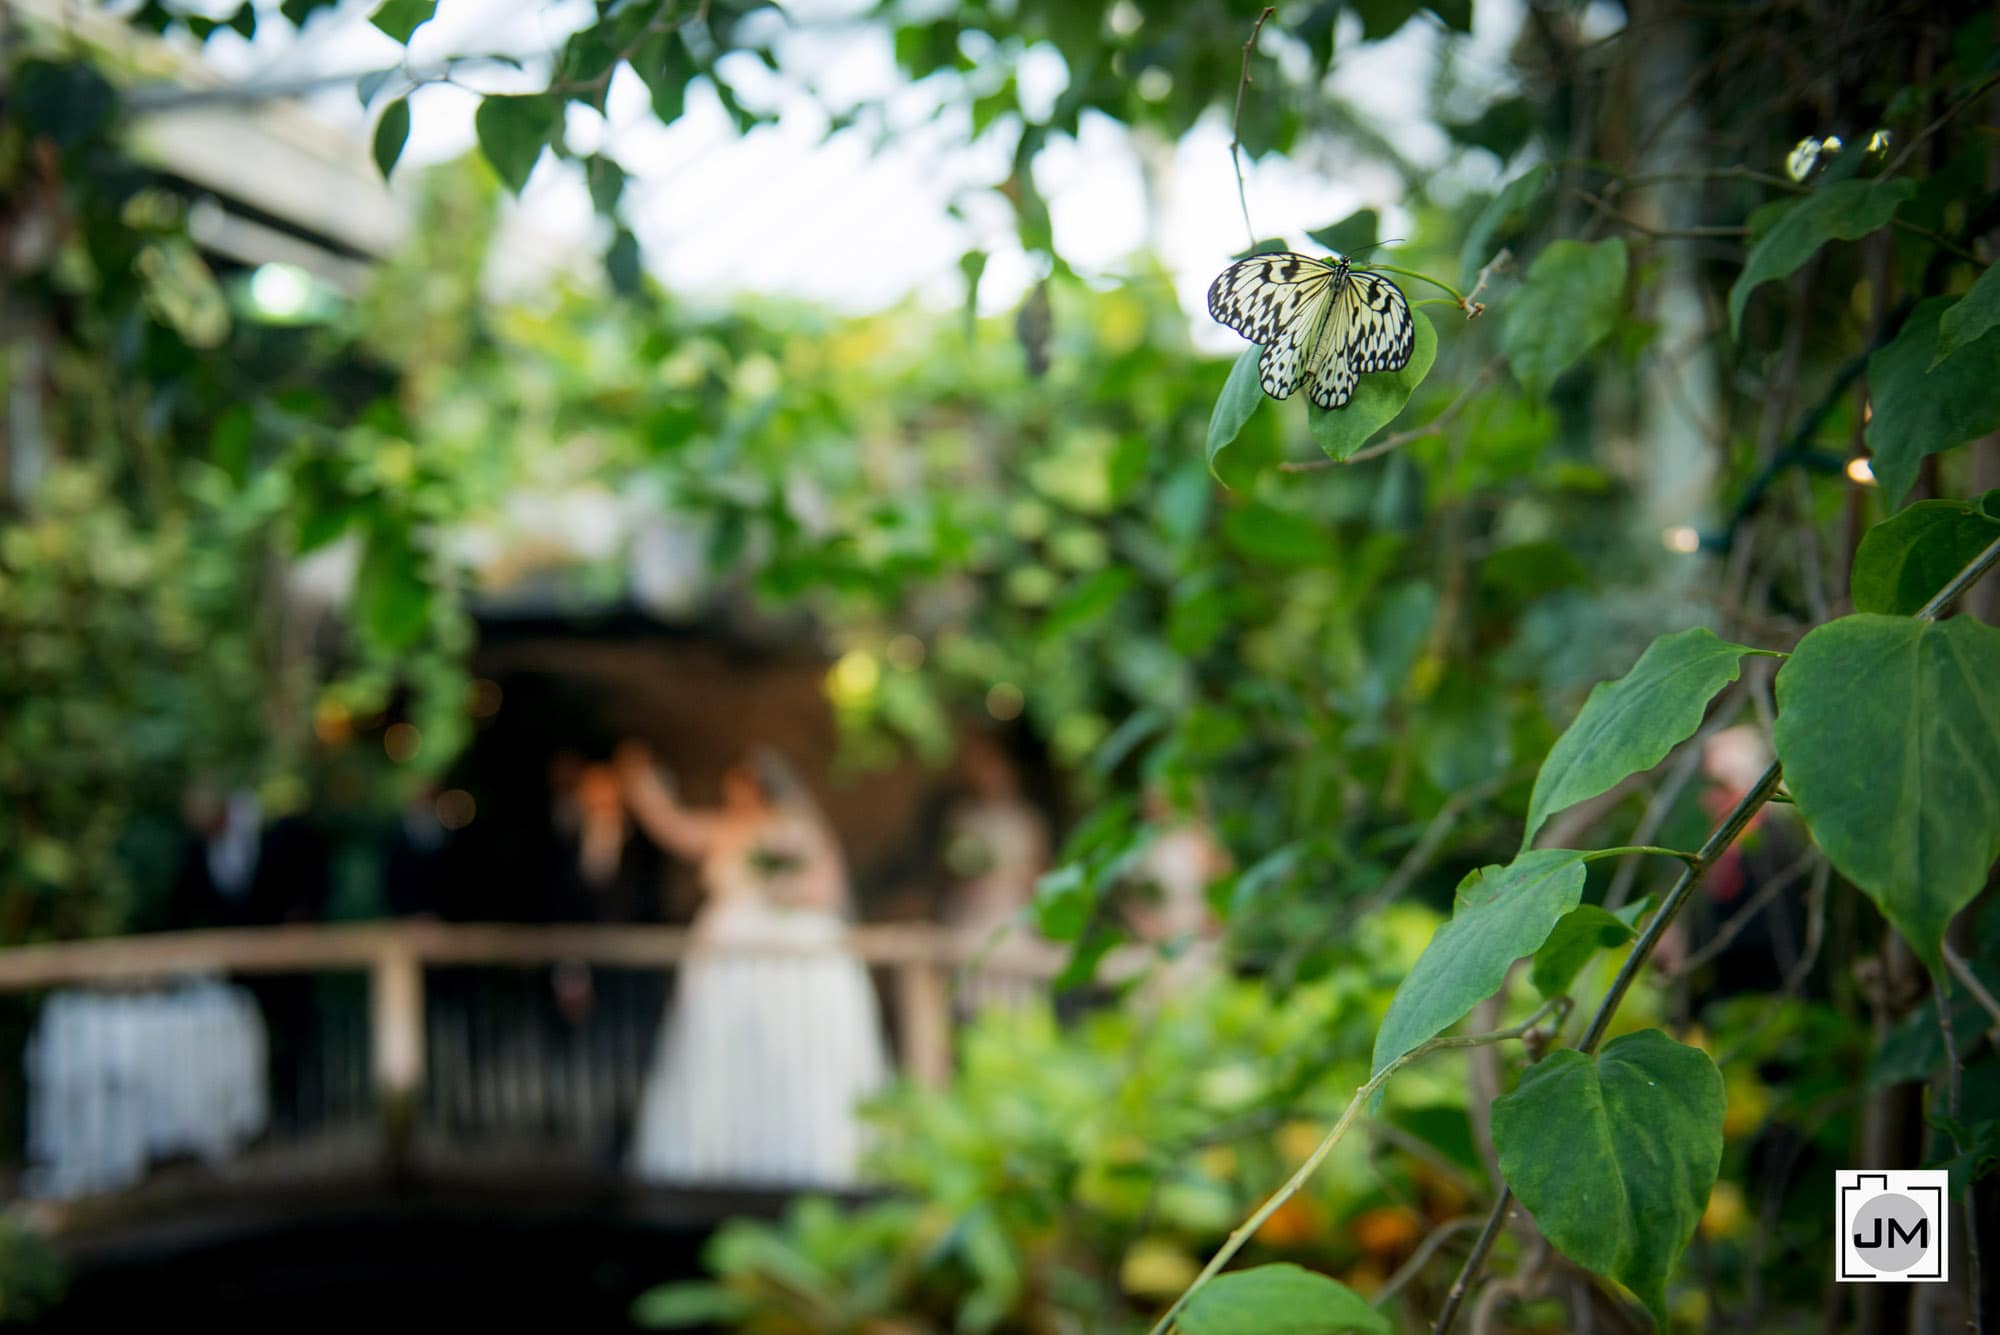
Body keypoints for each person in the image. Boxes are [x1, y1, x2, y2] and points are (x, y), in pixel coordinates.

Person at [617, 743, 888, 1187]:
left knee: (789, 1052)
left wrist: (777, 888)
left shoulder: (797, 829)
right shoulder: (727, 828)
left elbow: (826, 889)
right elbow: (676, 827)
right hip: (727, 960)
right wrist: (643, 787)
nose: (735, 796)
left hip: (780, 960)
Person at [941, 733, 1051, 1013]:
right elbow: (949, 872)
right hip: (973, 915)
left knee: (1017, 998)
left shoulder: (1027, 819)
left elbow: (1042, 876)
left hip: (1012, 915)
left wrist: (1010, 882)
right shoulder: (962, 817)